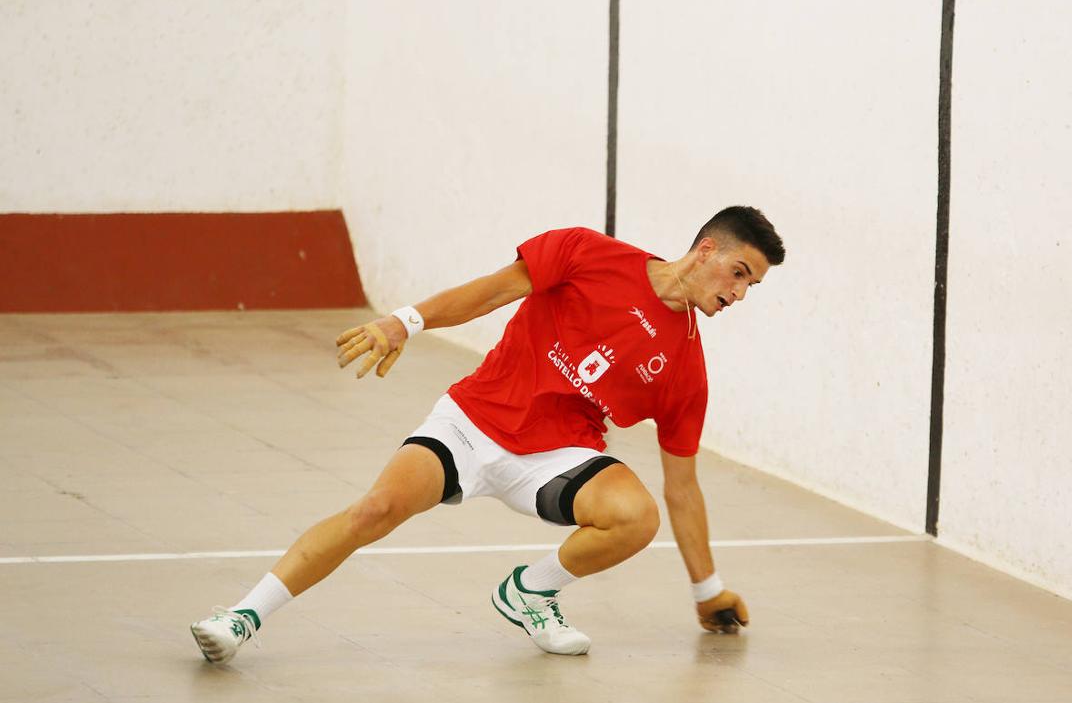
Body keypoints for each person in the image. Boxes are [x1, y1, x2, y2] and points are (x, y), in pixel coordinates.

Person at [191, 205, 785, 662]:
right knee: (375, 510)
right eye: (738, 273)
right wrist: (405, 322)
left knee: (638, 515)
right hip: (474, 421)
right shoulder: (588, 253)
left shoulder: (685, 366)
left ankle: (531, 591)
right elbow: (493, 291)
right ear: (705, 250)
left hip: (555, 456)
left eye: (750, 287)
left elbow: (682, 488)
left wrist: (708, 592)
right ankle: (241, 618)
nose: (737, 294)